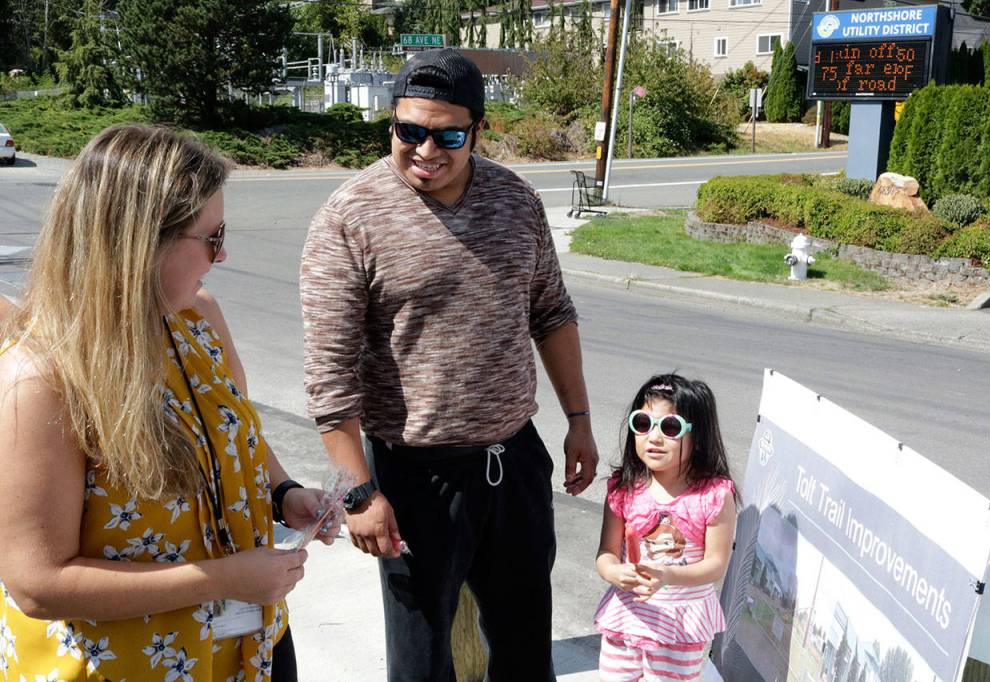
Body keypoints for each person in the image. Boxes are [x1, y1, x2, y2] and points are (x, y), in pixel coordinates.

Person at [300, 48, 599, 681]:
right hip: (413, 480)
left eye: (448, 134)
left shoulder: (516, 202)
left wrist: (578, 419)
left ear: (478, 131)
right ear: (392, 124)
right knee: (420, 663)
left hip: (514, 463)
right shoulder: (351, 216)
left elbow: (550, 312)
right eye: (409, 131)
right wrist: (358, 490)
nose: (425, 149)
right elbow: (330, 375)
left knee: (524, 655)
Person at [0, 124, 333, 681]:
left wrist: (283, 492)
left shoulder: (195, 316)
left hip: (250, 649)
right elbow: (37, 583)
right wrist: (223, 579)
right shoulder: (41, 376)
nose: (223, 254)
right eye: (211, 235)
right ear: (139, 242)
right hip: (129, 666)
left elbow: (236, 427)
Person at [593, 374, 737, 681]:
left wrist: (668, 575)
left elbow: (716, 564)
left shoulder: (713, 496)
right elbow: (606, 552)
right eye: (643, 423)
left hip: (680, 625)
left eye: (670, 428)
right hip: (627, 616)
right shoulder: (624, 489)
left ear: (698, 437)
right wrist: (614, 572)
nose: (654, 437)